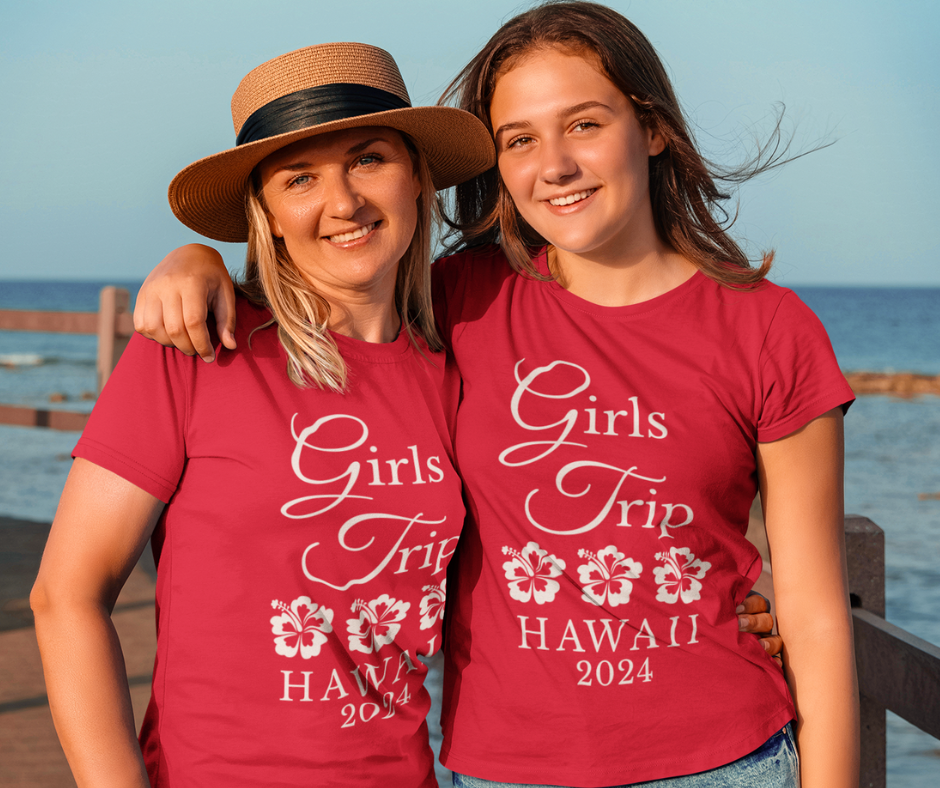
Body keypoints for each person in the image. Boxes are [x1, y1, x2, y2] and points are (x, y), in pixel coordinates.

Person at [135, 3, 856, 786]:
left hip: (727, 762)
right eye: (520, 140)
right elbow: (325, 291)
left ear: (651, 127)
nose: (555, 165)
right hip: (505, 770)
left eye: (584, 124)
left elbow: (816, 616)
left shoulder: (771, 328)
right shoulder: (460, 302)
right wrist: (196, 260)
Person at [30, 42, 497, 788]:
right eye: (300, 177)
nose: (342, 202)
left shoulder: (458, 366)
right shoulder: (198, 350)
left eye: (369, 158)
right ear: (268, 214)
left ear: (419, 177)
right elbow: (65, 596)